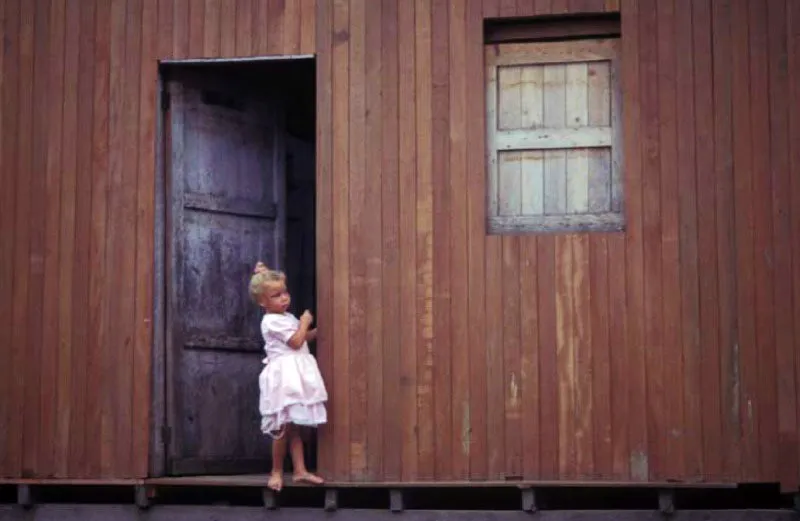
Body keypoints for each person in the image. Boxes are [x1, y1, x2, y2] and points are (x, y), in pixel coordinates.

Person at [248, 261, 327, 491]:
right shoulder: (271, 321)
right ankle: (276, 471)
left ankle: (300, 471)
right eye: (276, 295)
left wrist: (315, 331)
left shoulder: (287, 317)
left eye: (285, 292)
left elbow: (303, 337)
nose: (284, 298)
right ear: (263, 302)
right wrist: (304, 323)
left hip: (295, 373)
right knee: (282, 427)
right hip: (284, 376)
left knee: (294, 427)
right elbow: (295, 341)